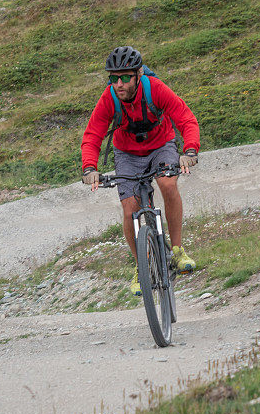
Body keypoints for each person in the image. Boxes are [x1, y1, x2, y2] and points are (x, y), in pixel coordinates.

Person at [81, 45, 200, 296]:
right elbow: (93, 134)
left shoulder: (155, 89)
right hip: (127, 154)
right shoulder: (109, 98)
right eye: (114, 78)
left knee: (168, 184)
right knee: (129, 209)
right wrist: (90, 167)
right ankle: (142, 266)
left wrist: (189, 151)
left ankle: (177, 250)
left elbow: (184, 117)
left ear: (138, 74)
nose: (119, 84)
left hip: (161, 145)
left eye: (125, 77)